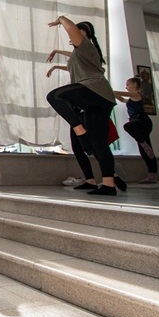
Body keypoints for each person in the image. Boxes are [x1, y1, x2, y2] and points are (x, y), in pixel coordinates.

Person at [45, 18, 121, 196]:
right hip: (100, 98)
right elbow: (72, 60)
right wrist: (56, 57)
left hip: (94, 90)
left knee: (55, 96)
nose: (72, 36)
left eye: (78, 32)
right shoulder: (81, 53)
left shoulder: (86, 45)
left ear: (84, 34)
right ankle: (109, 184)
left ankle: (80, 131)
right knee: (99, 144)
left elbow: (72, 29)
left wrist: (61, 19)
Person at [114, 77, 157, 184]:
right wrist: (111, 93)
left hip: (141, 121)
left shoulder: (136, 95)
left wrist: (108, 89)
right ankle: (152, 174)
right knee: (145, 152)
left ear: (134, 85)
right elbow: (122, 99)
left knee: (127, 126)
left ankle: (143, 142)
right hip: (137, 124)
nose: (126, 87)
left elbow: (121, 93)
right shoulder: (131, 99)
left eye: (128, 85)